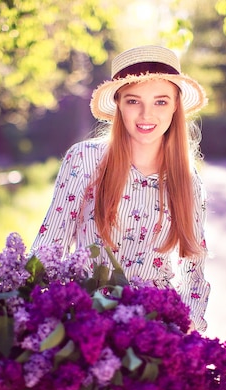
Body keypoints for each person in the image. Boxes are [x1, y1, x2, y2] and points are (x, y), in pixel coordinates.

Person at [31, 44, 211, 334]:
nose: (146, 115)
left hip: (154, 330)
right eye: (133, 101)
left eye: (161, 102)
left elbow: (194, 269)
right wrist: (26, 311)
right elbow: (50, 245)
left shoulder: (188, 180)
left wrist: (186, 332)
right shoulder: (84, 159)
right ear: (118, 104)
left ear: (176, 105)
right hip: (86, 322)